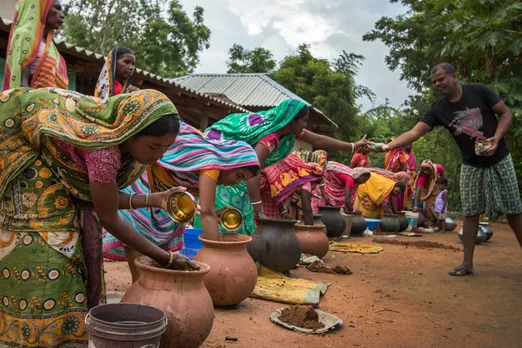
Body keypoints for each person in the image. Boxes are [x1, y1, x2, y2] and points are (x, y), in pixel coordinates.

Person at [0, 87, 197, 347]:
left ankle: (65, 331)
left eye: (165, 148)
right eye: (154, 146)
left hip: (41, 134)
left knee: (71, 238)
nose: (158, 155)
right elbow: (108, 216)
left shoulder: (118, 138)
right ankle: (33, 333)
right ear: (131, 131)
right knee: (50, 237)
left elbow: (103, 197)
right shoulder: (103, 150)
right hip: (14, 135)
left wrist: (157, 199)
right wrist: (167, 258)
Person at [376, 63, 522, 277]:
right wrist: (389, 146)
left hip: (499, 158)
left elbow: (506, 114)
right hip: (471, 163)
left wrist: (495, 139)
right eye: (433, 81)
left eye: (441, 79)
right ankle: (467, 263)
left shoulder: (479, 91)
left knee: (514, 211)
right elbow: (416, 131)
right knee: (471, 212)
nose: (437, 84)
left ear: (455, 77)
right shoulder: (438, 110)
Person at [103, 122, 260, 283]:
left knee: (165, 238)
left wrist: (213, 214)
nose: (237, 182)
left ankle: (156, 286)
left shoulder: (216, 169)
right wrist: (216, 258)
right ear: (232, 163)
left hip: (166, 191)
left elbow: (194, 199)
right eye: (239, 175)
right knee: (138, 230)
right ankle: (140, 286)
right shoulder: (212, 163)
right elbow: (207, 212)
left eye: (242, 180)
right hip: (146, 177)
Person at [206, 98, 369, 234]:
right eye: (304, 120)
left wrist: (353, 146)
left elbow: (319, 140)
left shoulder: (288, 132)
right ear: (293, 120)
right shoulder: (270, 137)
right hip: (224, 171)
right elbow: (252, 171)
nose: (305, 125)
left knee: (241, 223)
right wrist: (259, 209)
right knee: (229, 222)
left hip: (237, 177)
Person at [3, 0, 68, 90]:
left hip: (50, 100)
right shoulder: (26, 35)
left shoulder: (50, 47)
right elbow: (22, 85)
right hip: (34, 101)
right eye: (57, 8)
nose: (62, 15)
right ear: (42, 8)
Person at [259, 153, 324, 225]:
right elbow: (307, 210)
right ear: (314, 180)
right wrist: (311, 230)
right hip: (265, 193)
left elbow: (286, 191)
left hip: (261, 184)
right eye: (315, 187)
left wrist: (284, 209)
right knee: (269, 224)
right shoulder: (305, 180)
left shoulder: (294, 173)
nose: (313, 189)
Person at [413, 160, 445, 228]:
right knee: (428, 205)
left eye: (427, 170)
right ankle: (431, 221)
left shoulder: (439, 168)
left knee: (437, 204)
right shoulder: (422, 177)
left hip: (437, 187)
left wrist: (442, 188)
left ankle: (439, 222)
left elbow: (443, 178)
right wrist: (415, 206)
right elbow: (418, 191)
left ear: (431, 169)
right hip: (427, 190)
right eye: (423, 170)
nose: (425, 172)